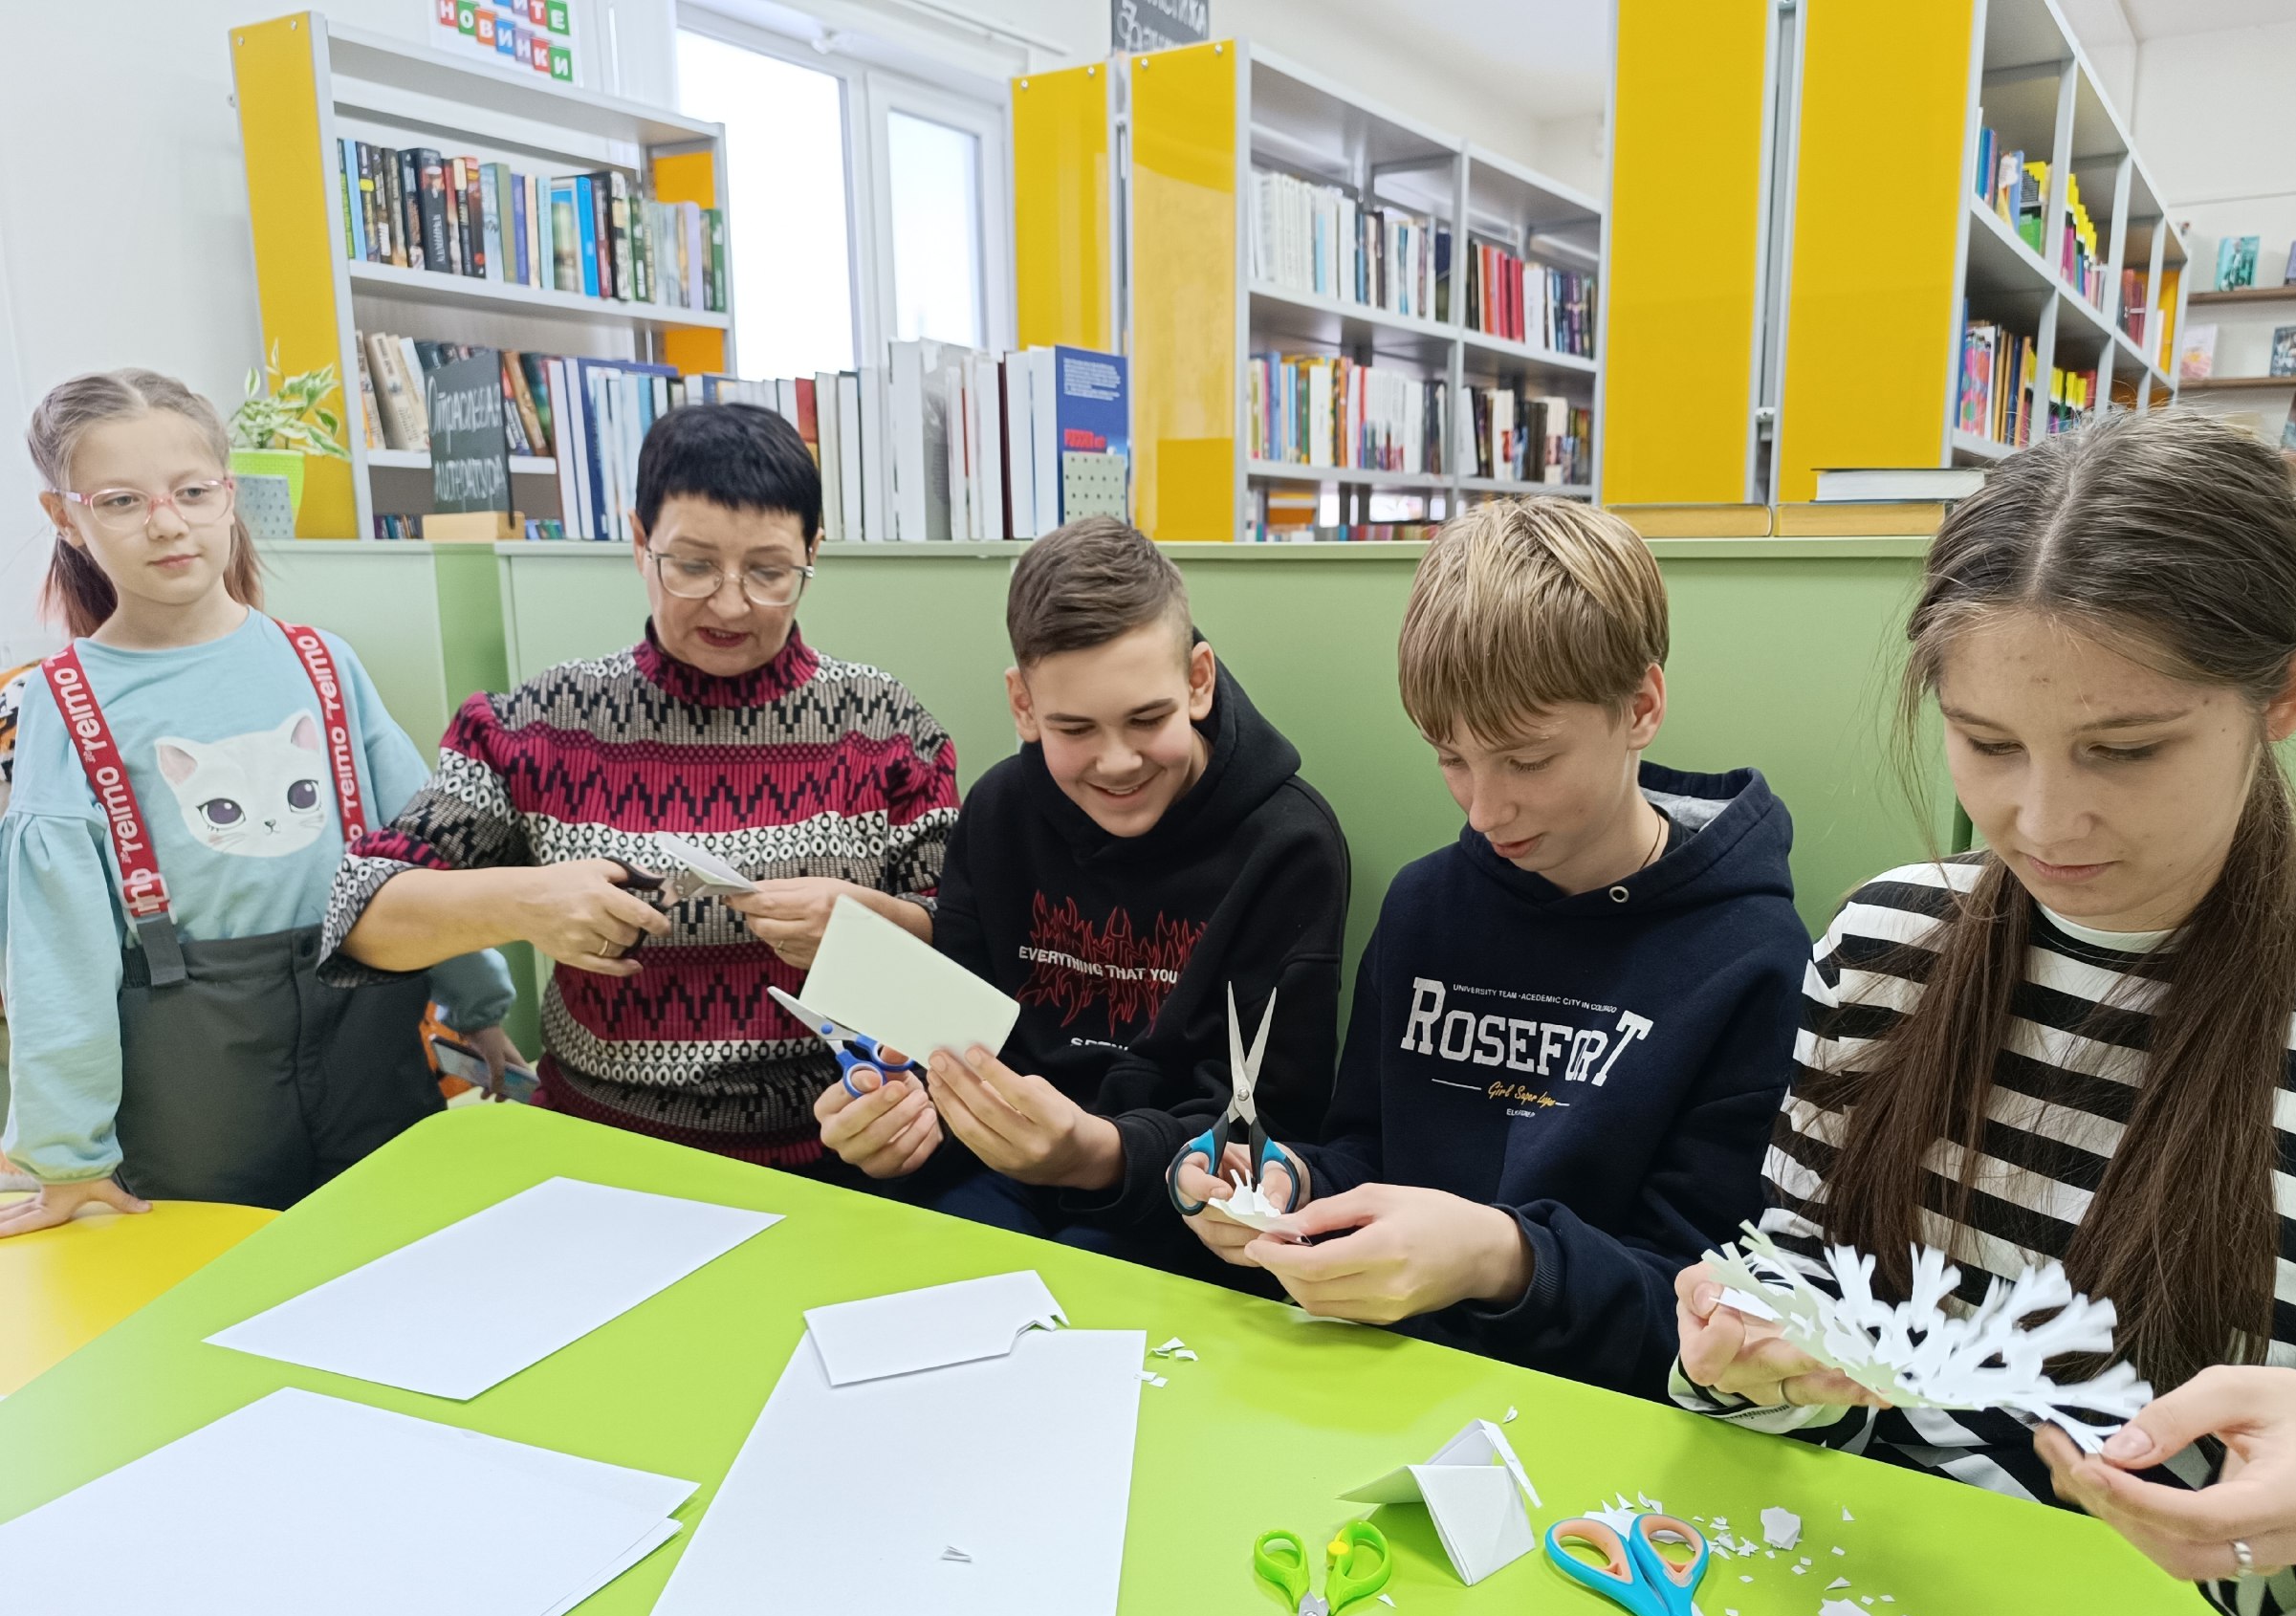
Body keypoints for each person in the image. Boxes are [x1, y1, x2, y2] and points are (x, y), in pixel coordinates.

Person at [1673, 412, 2296, 1616]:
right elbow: (1799, 1326)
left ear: (2285, 697)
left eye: (2124, 750)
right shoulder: (1887, 945)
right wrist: (1744, 1350)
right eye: (1986, 743)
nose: (2041, 821)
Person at [1174, 496, 1810, 1390]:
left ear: (1640, 707)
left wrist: (1499, 1259)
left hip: (1585, 1410)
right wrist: (1287, 1187)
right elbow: (1363, 1155)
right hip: (1373, 1374)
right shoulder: (1424, 906)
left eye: (1528, 760)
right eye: (1450, 758)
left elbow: (1701, 1315)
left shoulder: (1753, 956)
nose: (1483, 810)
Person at [324, 402, 958, 1171]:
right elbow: (358, 914)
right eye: (692, 565)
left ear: (812, 551)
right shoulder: (539, 725)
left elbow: (966, 954)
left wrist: (878, 928)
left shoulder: (885, 727)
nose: (731, 603)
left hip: (840, 1157)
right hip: (603, 1157)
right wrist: (524, 903)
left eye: (769, 572)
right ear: (638, 543)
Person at [0, 368, 519, 1229]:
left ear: (228, 493)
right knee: (219, 1282)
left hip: (369, 1049)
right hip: (195, 1093)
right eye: (121, 501)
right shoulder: (65, 701)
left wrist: (480, 1002)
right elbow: (57, 953)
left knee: (394, 1253)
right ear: (66, 516)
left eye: (192, 491)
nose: (167, 523)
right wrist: (67, 1156)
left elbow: (421, 857)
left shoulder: (323, 663)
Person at [815, 516, 1347, 1273]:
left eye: (1147, 718)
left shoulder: (1290, 846)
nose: (1118, 761)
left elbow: (1269, 1129)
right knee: (910, 1265)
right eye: (1075, 729)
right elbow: (947, 1042)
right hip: (989, 1176)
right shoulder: (997, 812)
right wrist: (898, 1114)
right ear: (1023, 705)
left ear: (1198, 681)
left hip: (1171, 1209)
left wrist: (1095, 1153)